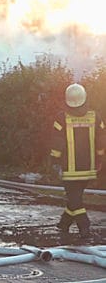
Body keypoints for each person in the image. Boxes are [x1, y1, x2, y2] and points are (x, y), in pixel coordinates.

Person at [50, 83, 105, 239]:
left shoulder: (62, 118)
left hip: (69, 169)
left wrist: (54, 160)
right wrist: (100, 157)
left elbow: (57, 142)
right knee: (76, 197)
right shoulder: (95, 117)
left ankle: (84, 225)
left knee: (74, 199)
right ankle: (64, 223)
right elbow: (101, 140)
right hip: (90, 167)